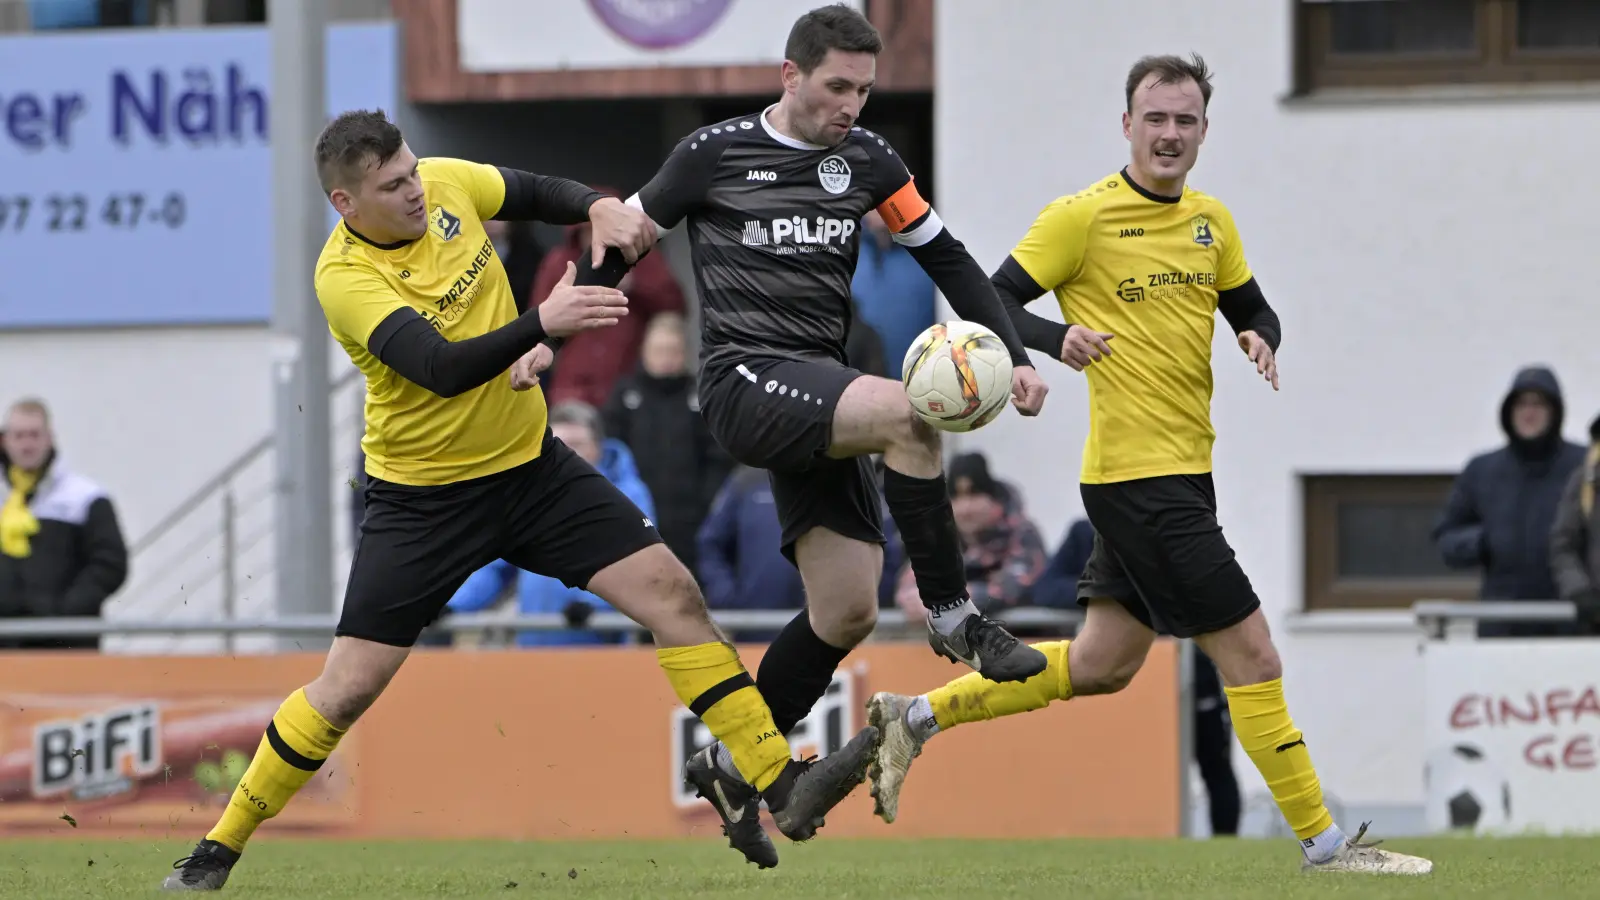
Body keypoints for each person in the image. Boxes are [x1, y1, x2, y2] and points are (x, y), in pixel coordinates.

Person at [159, 109, 880, 891]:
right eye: (392, 184)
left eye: (411, 170)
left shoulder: (443, 185)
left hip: (533, 471)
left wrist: (595, 206)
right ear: (346, 202)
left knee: (674, 596)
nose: (414, 189)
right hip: (422, 502)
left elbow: (534, 190)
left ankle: (781, 783)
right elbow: (438, 366)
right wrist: (544, 321)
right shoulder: (344, 279)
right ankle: (218, 847)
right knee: (347, 688)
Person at [509, 3, 1051, 869]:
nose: (852, 106)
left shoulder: (871, 161)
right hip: (742, 383)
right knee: (916, 411)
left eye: (866, 91)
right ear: (791, 76)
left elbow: (949, 261)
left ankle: (731, 767)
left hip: (821, 393)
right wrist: (542, 336)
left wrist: (1017, 354)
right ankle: (953, 615)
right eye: (837, 86)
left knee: (845, 609)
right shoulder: (713, 153)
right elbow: (622, 244)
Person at [861, 54, 1432, 876]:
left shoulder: (1211, 221)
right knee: (1256, 657)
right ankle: (1326, 846)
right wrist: (1058, 340)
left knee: (1100, 666)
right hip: (1139, 483)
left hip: (1176, 478)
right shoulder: (1082, 218)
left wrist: (1260, 333)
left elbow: (1251, 303)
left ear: (1204, 130)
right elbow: (987, 297)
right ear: (1126, 124)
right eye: (1155, 118)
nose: (1170, 133)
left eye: (1186, 120)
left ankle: (913, 717)